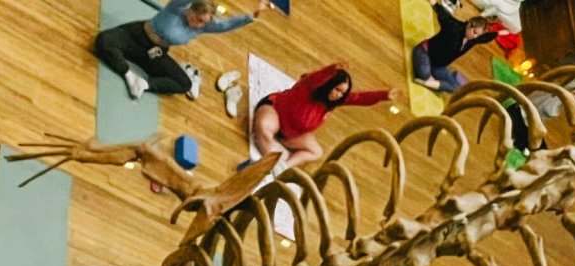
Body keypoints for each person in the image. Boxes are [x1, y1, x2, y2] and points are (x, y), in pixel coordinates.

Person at [94, 0, 269, 100]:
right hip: (135, 36)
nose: (200, 24)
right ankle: (129, 76)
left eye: (204, 22)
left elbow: (226, 24)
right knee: (104, 41)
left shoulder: (203, 27)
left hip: (154, 53)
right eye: (198, 19)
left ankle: (144, 84)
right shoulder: (177, 7)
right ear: (191, 10)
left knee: (184, 83)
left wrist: (253, 15)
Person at [253, 63, 399, 170]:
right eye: (337, 90)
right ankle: (269, 160)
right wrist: (331, 69)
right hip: (275, 112)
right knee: (263, 127)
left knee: (316, 152)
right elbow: (315, 78)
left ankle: (282, 167)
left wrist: (383, 95)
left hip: (291, 134)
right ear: (329, 84)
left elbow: (359, 98)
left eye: (343, 93)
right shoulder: (308, 86)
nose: (339, 95)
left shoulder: (333, 102)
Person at [413, 0, 501, 93]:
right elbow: (442, 12)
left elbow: (488, 37)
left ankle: (430, 82)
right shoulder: (453, 26)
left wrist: (493, 28)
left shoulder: (473, 39)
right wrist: (434, 3)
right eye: (474, 32)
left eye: (477, 35)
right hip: (424, 52)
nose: (475, 36)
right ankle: (432, 81)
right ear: (470, 24)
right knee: (424, 73)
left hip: (438, 66)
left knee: (459, 89)